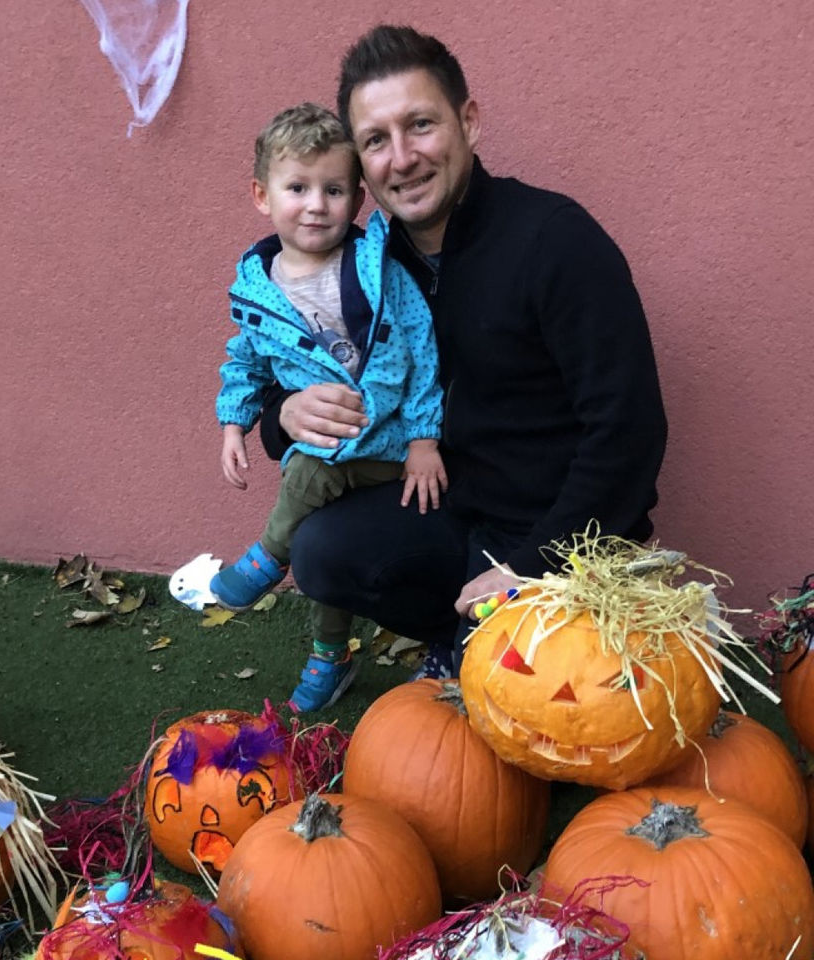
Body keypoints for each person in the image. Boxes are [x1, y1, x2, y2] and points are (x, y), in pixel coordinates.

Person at [258, 25, 668, 678]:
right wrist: (283, 414)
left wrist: (533, 568)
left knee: (530, 723)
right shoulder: (366, 267)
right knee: (322, 551)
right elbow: (288, 367)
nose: (402, 157)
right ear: (361, 163)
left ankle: (488, 641)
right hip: (448, 513)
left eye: (420, 125)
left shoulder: (556, 242)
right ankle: (457, 636)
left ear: (468, 122)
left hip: (566, 538)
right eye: (375, 141)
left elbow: (628, 433)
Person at [210, 102, 447, 711]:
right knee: (321, 531)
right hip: (332, 446)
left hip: (389, 445)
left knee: (306, 473)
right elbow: (246, 362)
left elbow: (421, 347)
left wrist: (424, 439)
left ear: (358, 198)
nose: (317, 204)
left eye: (334, 189)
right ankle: (329, 654)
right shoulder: (258, 291)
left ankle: (268, 557)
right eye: (298, 188)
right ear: (262, 196)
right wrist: (235, 424)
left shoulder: (374, 267)